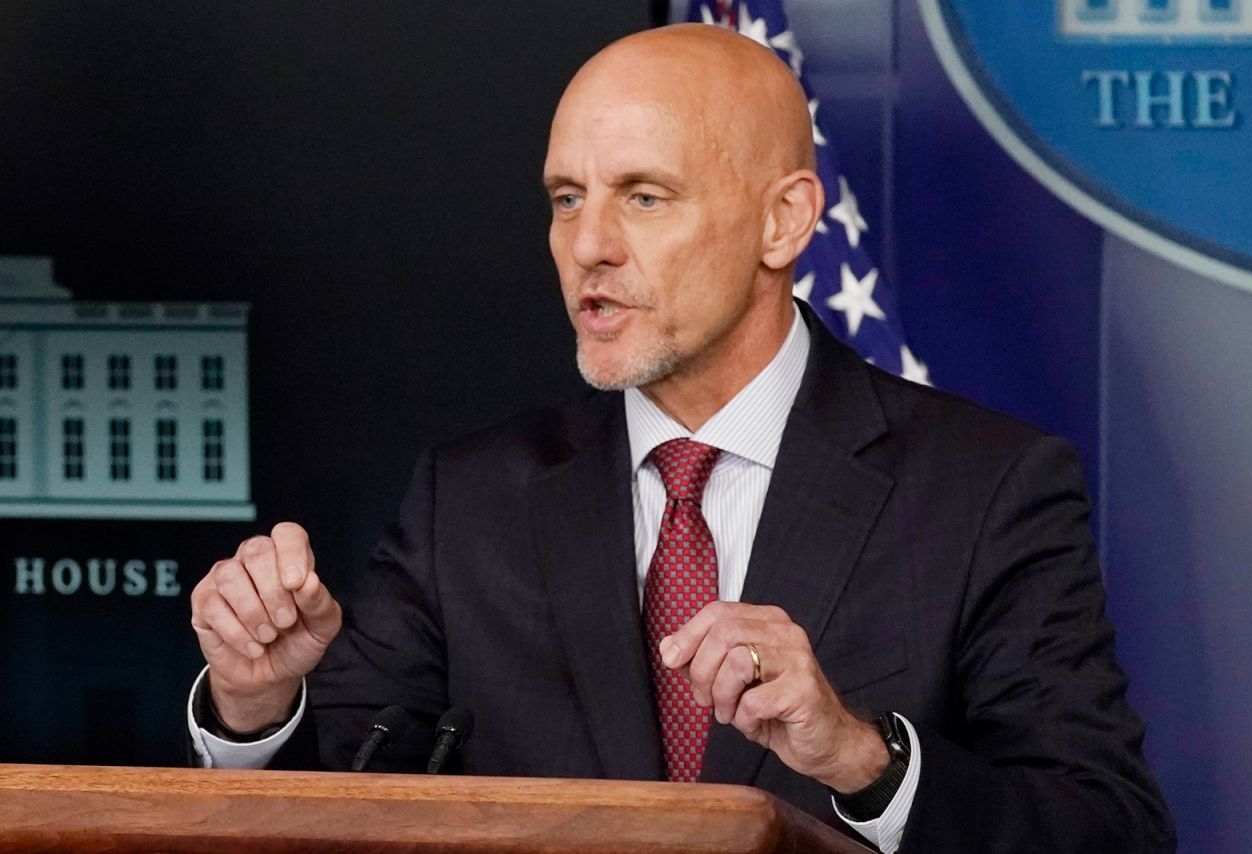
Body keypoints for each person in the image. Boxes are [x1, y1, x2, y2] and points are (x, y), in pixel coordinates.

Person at [186, 23, 1175, 853]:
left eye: (642, 196)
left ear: (782, 221)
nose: (586, 246)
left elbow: (1106, 829)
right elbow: (347, 802)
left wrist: (859, 756)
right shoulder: (470, 500)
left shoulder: (984, 489)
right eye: (566, 197)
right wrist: (256, 705)